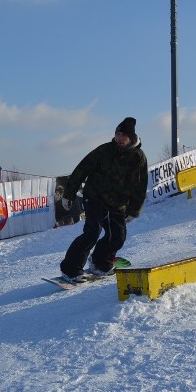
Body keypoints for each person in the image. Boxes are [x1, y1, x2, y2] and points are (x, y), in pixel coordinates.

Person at [59, 117, 148, 279]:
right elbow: (81, 169)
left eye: (123, 136)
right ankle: (70, 269)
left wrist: (134, 210)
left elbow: (140, 186)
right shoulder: (104, 151)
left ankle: (99, 262)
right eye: (117, 135)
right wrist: (68, 194)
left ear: (131, 138)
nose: (119, 139)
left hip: (118, 204)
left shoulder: (138, 157)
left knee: (117, 237)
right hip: (95, 197)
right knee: (92, 232)